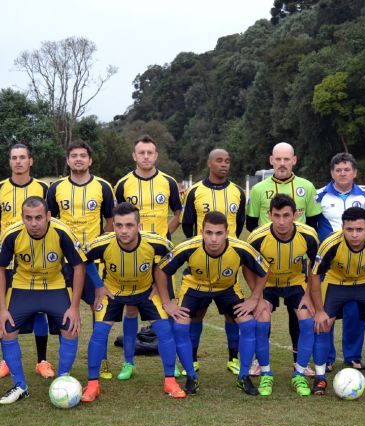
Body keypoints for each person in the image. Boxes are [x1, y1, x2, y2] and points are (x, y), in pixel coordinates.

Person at [80, 202, 186, 401]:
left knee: (164, 330)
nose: (123, 230)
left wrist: (158, 284)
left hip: (145, 292)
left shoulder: (157, 242)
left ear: (139, 226)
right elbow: (84, 260)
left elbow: (171, 260)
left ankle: (170, 381)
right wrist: (98, 285)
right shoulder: (101, 243)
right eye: (119, 225)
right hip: (113, 293)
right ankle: (92, 384)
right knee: (99, 333)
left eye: (129, 225)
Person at [155, 211, 268, 395]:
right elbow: (161, 270)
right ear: (201, 231)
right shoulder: (187, 247)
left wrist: (255, 298)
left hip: (227, 288)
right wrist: (167, 302)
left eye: (218, 233)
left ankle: (244, 376)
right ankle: (191, 376)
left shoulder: (241, 248)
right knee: (180, 327)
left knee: (248, 324)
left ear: (227, 232)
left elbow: (264, 270)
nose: (213, 239)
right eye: (209, 233)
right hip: (194, 287)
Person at [0, 197, 86, 404]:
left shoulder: (62, 232)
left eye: (38, 218)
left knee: (71, 327)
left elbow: (79, 266)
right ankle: (20, 386)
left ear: (48, 216)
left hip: (55, 286)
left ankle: (62, 378)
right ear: (22, 218)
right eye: (28, 218)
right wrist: (2, 308)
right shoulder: (12, 234)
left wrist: (75, 307)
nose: (34, 223)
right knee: (6, 330)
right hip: (22, 287)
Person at [246, 142, 321, 374]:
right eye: (278, 159)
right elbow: (250, 224)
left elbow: (314, 220)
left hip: (295, 267)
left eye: (286, 159)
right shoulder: (259, 190)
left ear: (294, 160)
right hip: (267, 269)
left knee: (299, 314)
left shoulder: (307, 187)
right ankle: (260, 361)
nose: (281, 163)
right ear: (271, 161)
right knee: (261, 314)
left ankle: (300, 360)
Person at [309, 207, 365, 397]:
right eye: (349, 229)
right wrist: (319, 310)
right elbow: (315, 274)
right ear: (342, 227)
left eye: (359, 229)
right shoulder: (330, 244)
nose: (354, 235)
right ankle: (320, 377)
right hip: (336, 283)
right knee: (323, 324)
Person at [114, 134, 182, 379]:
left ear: (156, 155)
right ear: (134, 155)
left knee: (167, 307)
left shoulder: (169, 182)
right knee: (131, 309)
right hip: (132, 255)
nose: (145, 156)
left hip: (161, 257)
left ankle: (171, 363)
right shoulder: (123, 184)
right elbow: (116, 219)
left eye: (150, 152)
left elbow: (178, 212)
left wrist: (166, 234)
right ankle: (129, 363)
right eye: (141, 152)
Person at [46, 141, 116, 376]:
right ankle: (64, 362)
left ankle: (101, 360)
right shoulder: (55, 188)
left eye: (83, 156)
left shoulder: (104, 187)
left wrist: (97, 246)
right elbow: (50, 221)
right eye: (74, 156)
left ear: (90, 160)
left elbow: (110, 220)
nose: (78, 159)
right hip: (64, 263)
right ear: (67, 161)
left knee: (99, 311)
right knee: (63, 312)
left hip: (94, 264)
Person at [0, 143, 52, 379]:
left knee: (39, 311)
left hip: (39, 257)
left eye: (23, 157)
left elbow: (51, 220)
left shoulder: (44, 188)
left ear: (30, 161)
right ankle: (6, 361)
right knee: (6, 308)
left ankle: (42, 361)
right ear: (10, 161)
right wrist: (9, 244)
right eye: (14, 158)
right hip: (10, 259)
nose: (18, 162)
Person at [181, 148, 246, 376]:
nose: (224, 165)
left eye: (227, 161)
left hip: (229, 264)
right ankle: (193, 359)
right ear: (209, 163)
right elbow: (187, 226)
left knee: (233, 313)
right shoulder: (194, 192)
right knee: (196, 314)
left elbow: (239, 224)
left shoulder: (238, 192)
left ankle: (233, 359)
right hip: (201, 262)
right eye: (219, 160)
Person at [247, 194, 319, 396]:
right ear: (269, 215)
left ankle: (299, 374)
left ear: (295, 215)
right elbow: (248, 268)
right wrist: (257, 297)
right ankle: (266, 374)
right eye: (276, 215)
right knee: (261, 318)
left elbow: (315, 267)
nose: (281, 221)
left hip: (296, 283)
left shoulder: (309, 235)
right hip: (267, 284)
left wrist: (308, 296)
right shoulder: (257, 237)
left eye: (286, 215)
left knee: (306, 320)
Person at [313, 152, 365, 371]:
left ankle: (353, 356)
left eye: (347, 169)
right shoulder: (318, 196)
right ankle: (326, 357)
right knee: (326, 310)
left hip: (358, 264)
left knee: (355, 311)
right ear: (331, 173)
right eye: (338, 170)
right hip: (329, 265)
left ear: (354, 172)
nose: (343, 173)